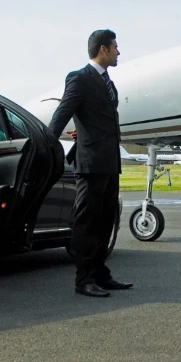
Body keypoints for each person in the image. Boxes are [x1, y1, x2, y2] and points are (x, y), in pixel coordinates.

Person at [48, 29, 133, 297]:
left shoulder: (108, 82)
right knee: (87, 222)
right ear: (103, 49)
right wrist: (49, 145)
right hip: (91, 164)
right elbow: (64, 112)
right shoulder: (80, 78)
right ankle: (83, 279)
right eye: (115, 47)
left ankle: (100, 273)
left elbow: (95, 119)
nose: (119, 52)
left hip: (109, 162)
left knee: (106, 220)